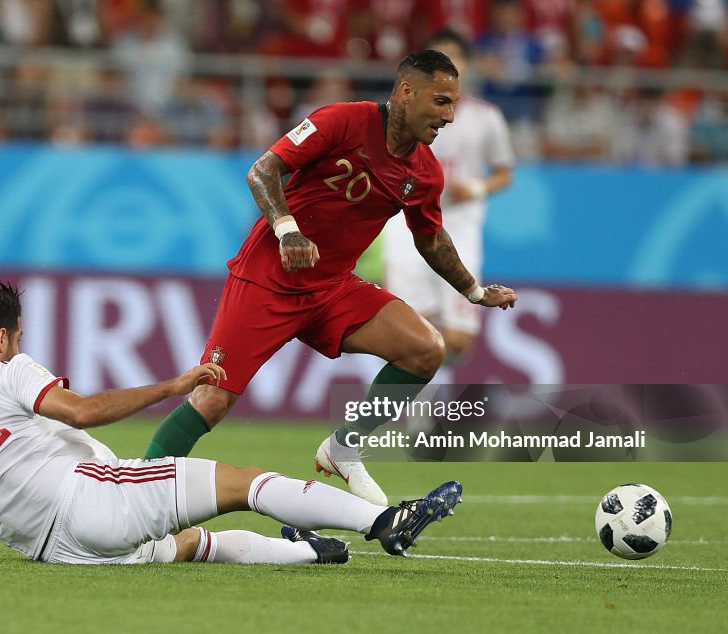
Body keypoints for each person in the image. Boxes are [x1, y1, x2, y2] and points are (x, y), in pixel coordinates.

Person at [0, 283, 463, 565]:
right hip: (86, 497)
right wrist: (173, 386)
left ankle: (308, 550)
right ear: (1, 338)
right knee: (241, 481)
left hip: (52, 550)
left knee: (192, 546)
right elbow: (81, 411)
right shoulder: (9, 371)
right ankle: (381, 522)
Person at [142, 49, 517, 506]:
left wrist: (476, 292)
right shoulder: (343, 120)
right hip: (267, 280)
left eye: (454, 104)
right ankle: (136, 496)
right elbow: (262, 171)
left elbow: (432, 241)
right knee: (212, 401)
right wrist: (288, 231)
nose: (450, 116)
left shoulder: (424, 172)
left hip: (332, 289)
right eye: (440, 102)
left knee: (426, 349)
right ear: (406, 92)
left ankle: (343, 447)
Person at [382, 29, 515, 385]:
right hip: (406, 224)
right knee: (414, 332)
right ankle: (421, 423)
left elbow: (505, 173)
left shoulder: (486, 117)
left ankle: (427, 394)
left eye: (454, 61)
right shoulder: (405, 112)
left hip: (460, 226)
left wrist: (474, 187)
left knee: (457, 339)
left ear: (467, 66)